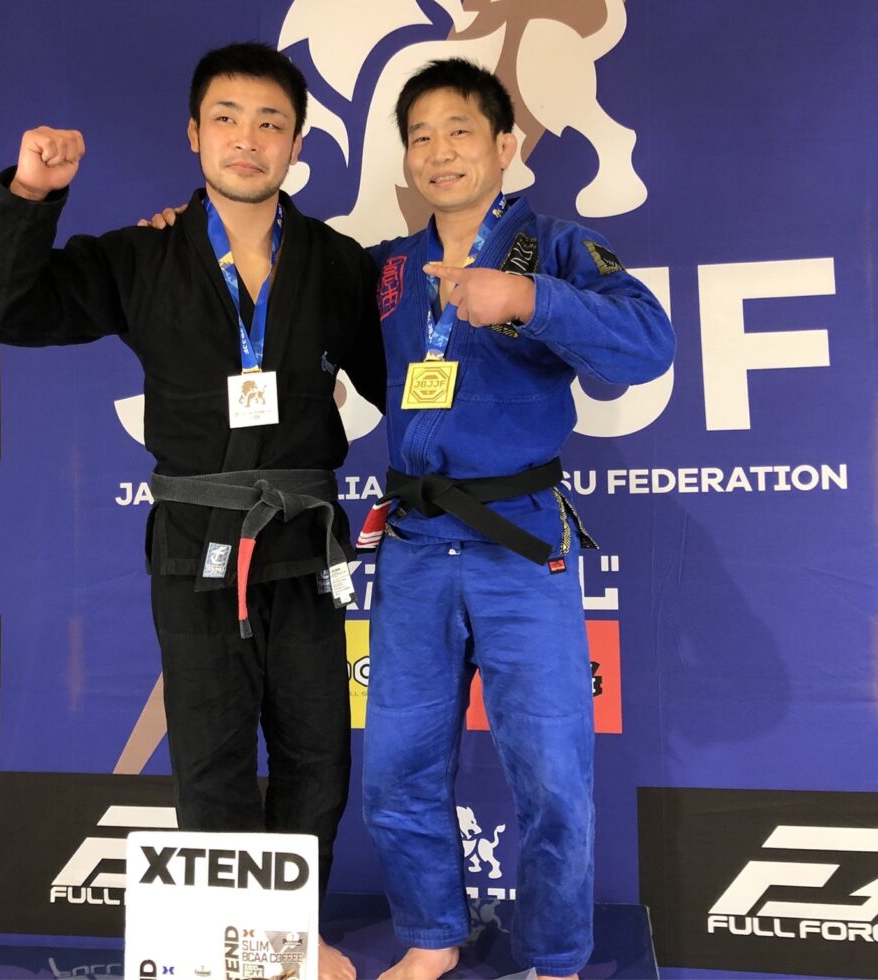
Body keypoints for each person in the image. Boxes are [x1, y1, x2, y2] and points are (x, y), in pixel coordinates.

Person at [0, 42, 385, 980]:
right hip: (197, 549)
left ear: (296, 143)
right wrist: (31, 195)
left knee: (319, 757)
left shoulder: (338, 265)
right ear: (194, 134)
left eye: (271, 122)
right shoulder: (145, 255)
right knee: (210, 759)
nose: (248, 139)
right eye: (227, 119)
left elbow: (405, 382)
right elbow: (4, 310)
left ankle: (291, 937)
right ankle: (238, 949)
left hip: (306, 548)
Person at [358, 58, 675, 980]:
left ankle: (556, 957)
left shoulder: (557, 247)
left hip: (520, 539)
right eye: (420, 136)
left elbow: (648, 345)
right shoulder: (387, 268)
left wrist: (529, 300)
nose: (439, 151)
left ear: (506, 144)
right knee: (398, 767)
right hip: (415, 542)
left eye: (459, 130)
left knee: (552, 775)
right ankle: (430, 937)